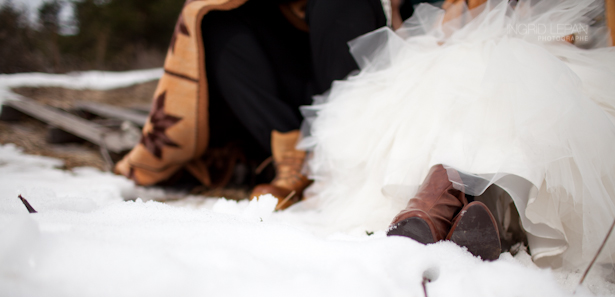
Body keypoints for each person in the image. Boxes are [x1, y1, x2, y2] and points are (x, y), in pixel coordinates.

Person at [296, 0, 615, 270]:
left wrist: (530, 31)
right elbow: (450, 27)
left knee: (517, 71)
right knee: (466, 67)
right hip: (484, 56)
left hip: (575, 56)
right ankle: (471, 209)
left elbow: (590, 32)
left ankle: (442, 203)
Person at [114, 0, 401, 209]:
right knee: (210, 15)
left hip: (342, 66)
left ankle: (339, 159)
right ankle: (291, 157)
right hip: (280, 81)